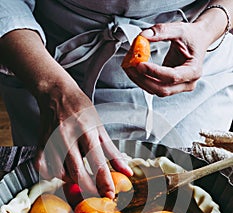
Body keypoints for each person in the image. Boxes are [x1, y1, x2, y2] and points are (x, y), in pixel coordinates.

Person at [0, 0, 233, 198]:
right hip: (47, 63)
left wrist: (208, 28)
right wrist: (52, 88)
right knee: (54, 191)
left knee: (193, 192)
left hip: (193, 66)